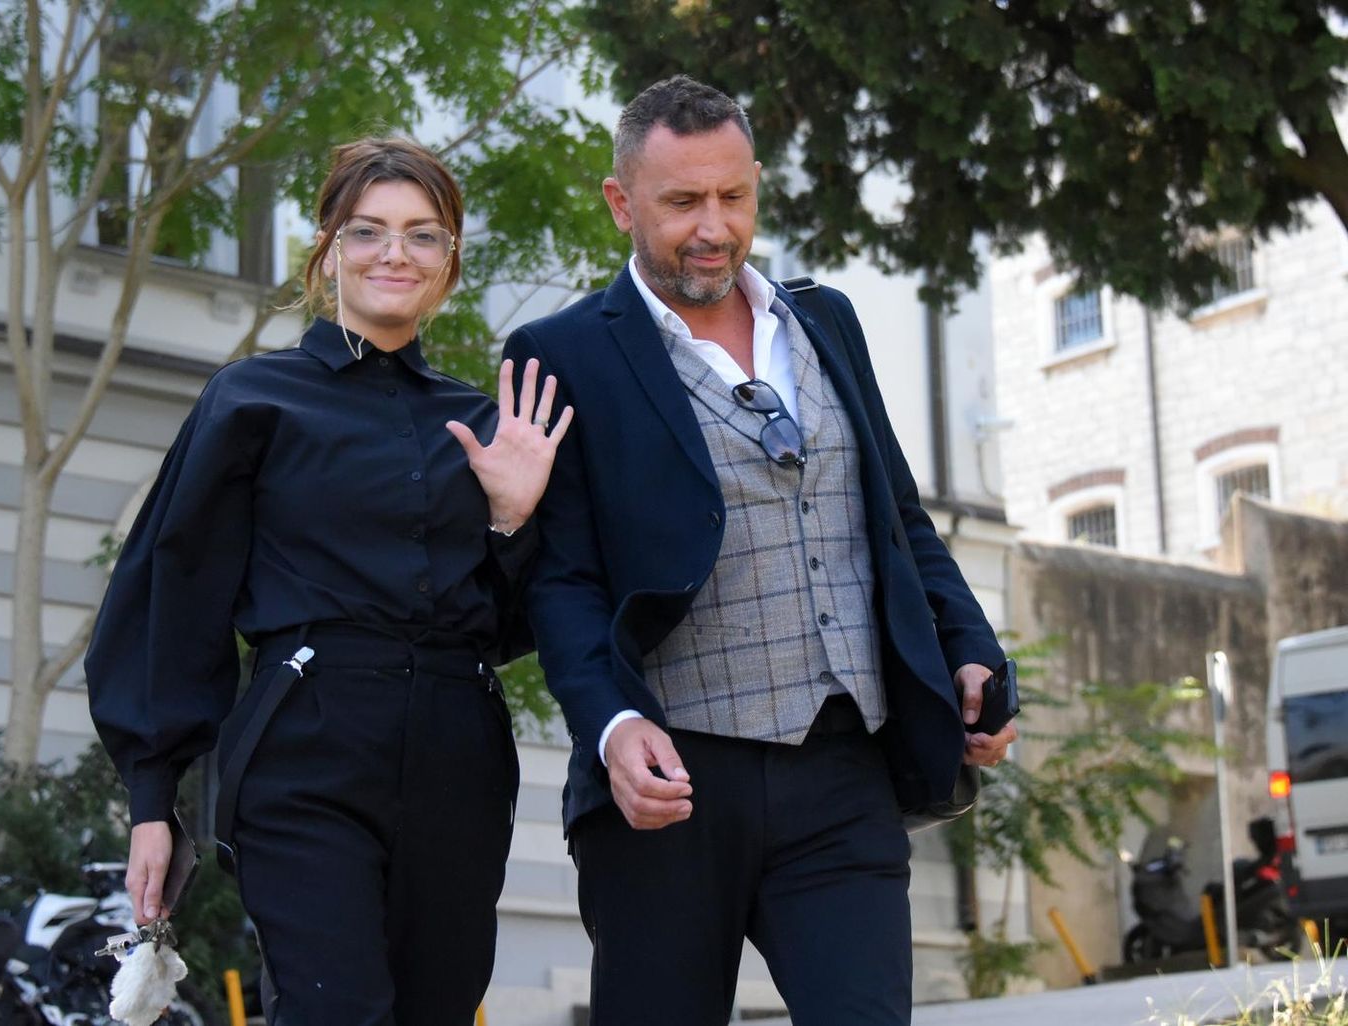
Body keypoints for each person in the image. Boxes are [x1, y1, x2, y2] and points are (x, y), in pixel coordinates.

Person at [502, 76, 1017, 1025]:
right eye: (682, 202)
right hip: (672, 781)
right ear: (621, 203)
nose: (714, 228)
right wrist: (613, 726)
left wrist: (969, 650)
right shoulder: (561, 353)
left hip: (842, 768)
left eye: (733, 196)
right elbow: (562, 581)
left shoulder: (828, 321)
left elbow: (897, 518)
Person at [85, 136, 571, 1026]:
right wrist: (154, 800)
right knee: (333, 1008)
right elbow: (171, 595)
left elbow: (512, 626)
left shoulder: (483, 427)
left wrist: (512, 517)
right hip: (304, 743)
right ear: (328, 248)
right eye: (368, 231)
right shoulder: (252, 401)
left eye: (423, 235)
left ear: (449, 259)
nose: (395, 253)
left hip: (458, 755)